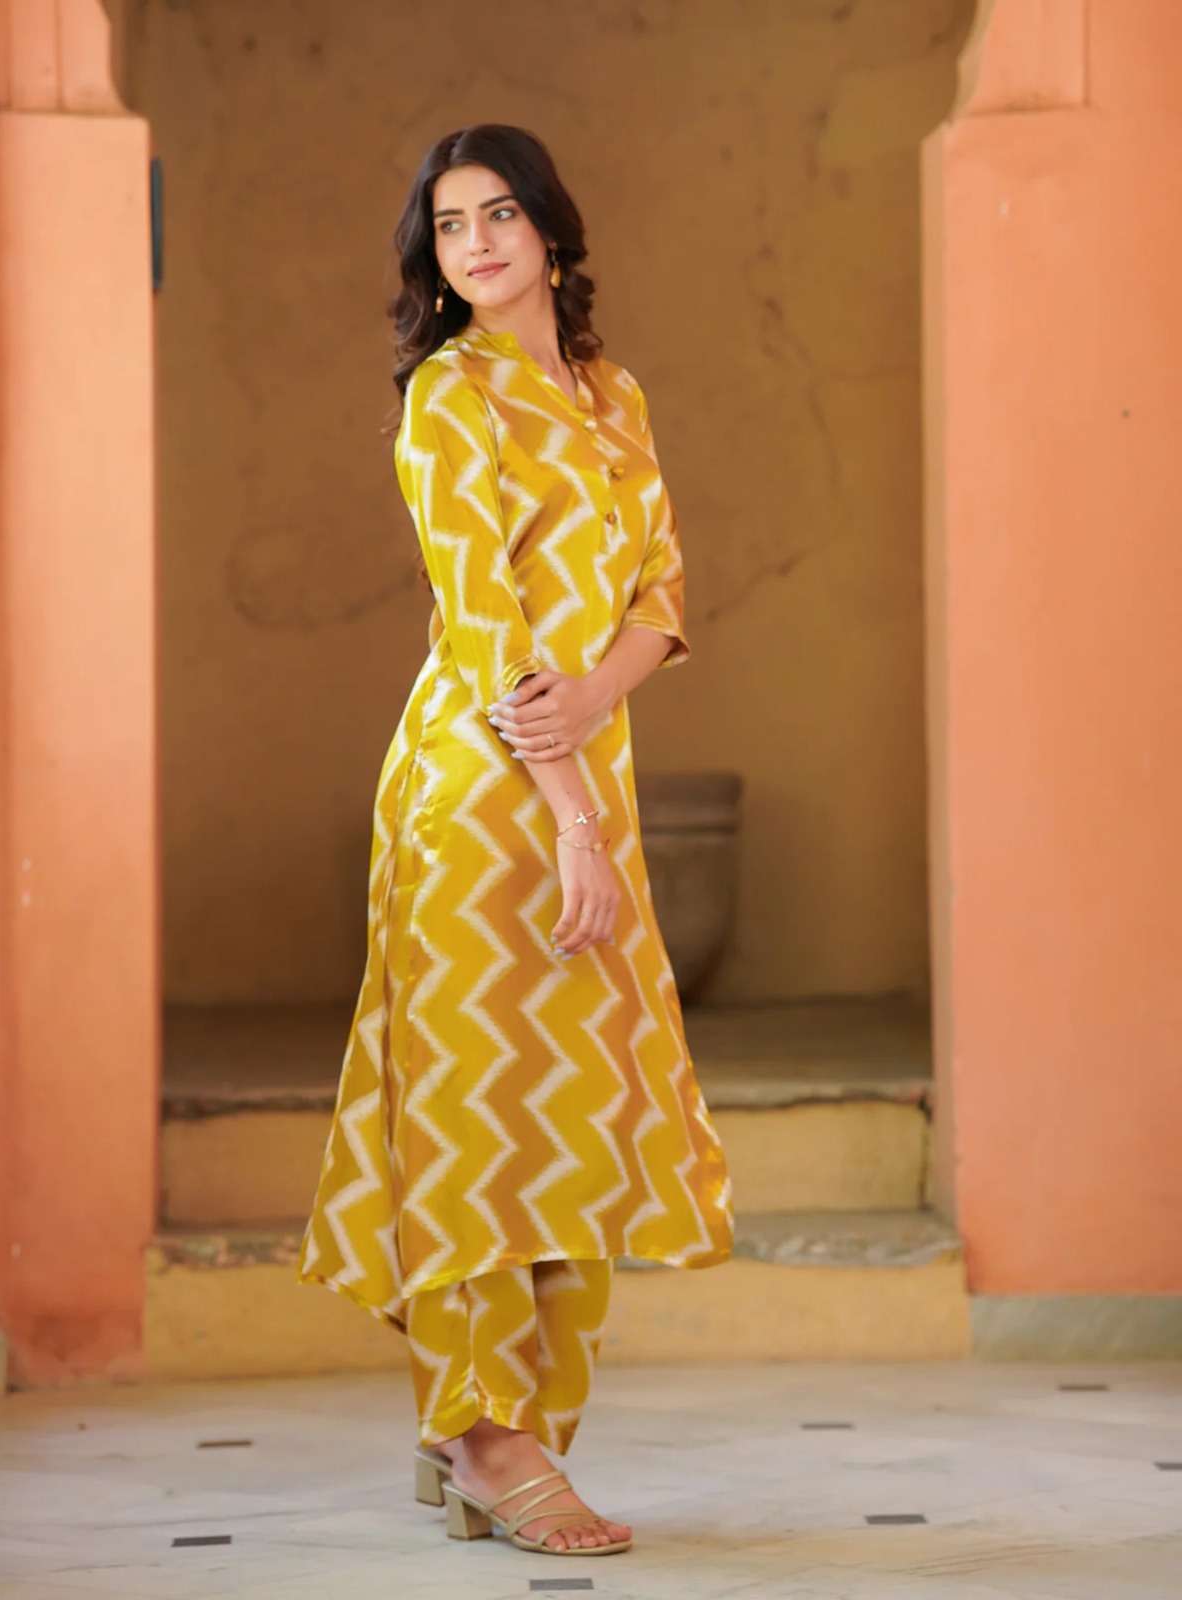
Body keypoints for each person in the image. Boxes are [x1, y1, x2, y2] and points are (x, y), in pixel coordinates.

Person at [296, 123, 734, 1557]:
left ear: (549, 229)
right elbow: (491, 634)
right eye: (449, 225)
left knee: (576, 1113)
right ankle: (480, 1427)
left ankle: (512, 1426)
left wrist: (597, 705)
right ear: (432, 258)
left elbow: (660, 593)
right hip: (479, 794)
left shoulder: (612, 395)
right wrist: (575, 823)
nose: (476, 243)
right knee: (478, 1116)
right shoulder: (449, 396)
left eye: (498, 214)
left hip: (581, 768)